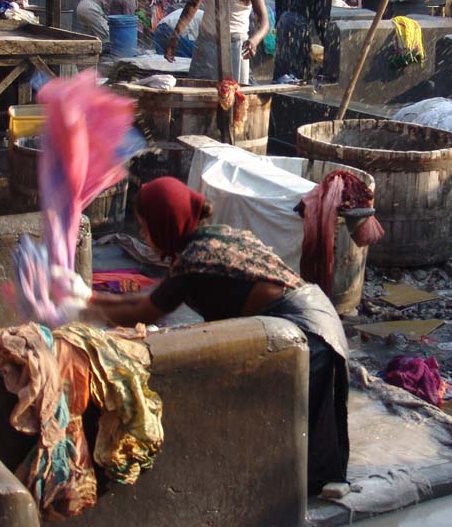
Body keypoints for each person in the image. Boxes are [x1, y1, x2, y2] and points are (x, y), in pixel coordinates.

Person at [89, 177, 350, 495]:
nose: (143, 235)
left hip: (305, 331)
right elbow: (151, 299)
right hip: (318, 314)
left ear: (165, 223)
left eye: (145, 228)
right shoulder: (209, 238)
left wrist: (84, 302)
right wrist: (90, 300)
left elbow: (143, 311)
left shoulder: (194, 263)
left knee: (287, 438)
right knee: (297, 430)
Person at [273, 0, 349, 82]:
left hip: (284, 20)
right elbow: (322, 17)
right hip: (297, 23)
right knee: (297, 69)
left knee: (283, 65)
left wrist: (279, 20)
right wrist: (327, 42)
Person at [75, 0, 152, 43]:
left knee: (93, 39)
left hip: (82, 7)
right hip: (91, 8)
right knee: (110, 37)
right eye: (145, 5)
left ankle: (89, 63)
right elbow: (127, 23)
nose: (144, 8)